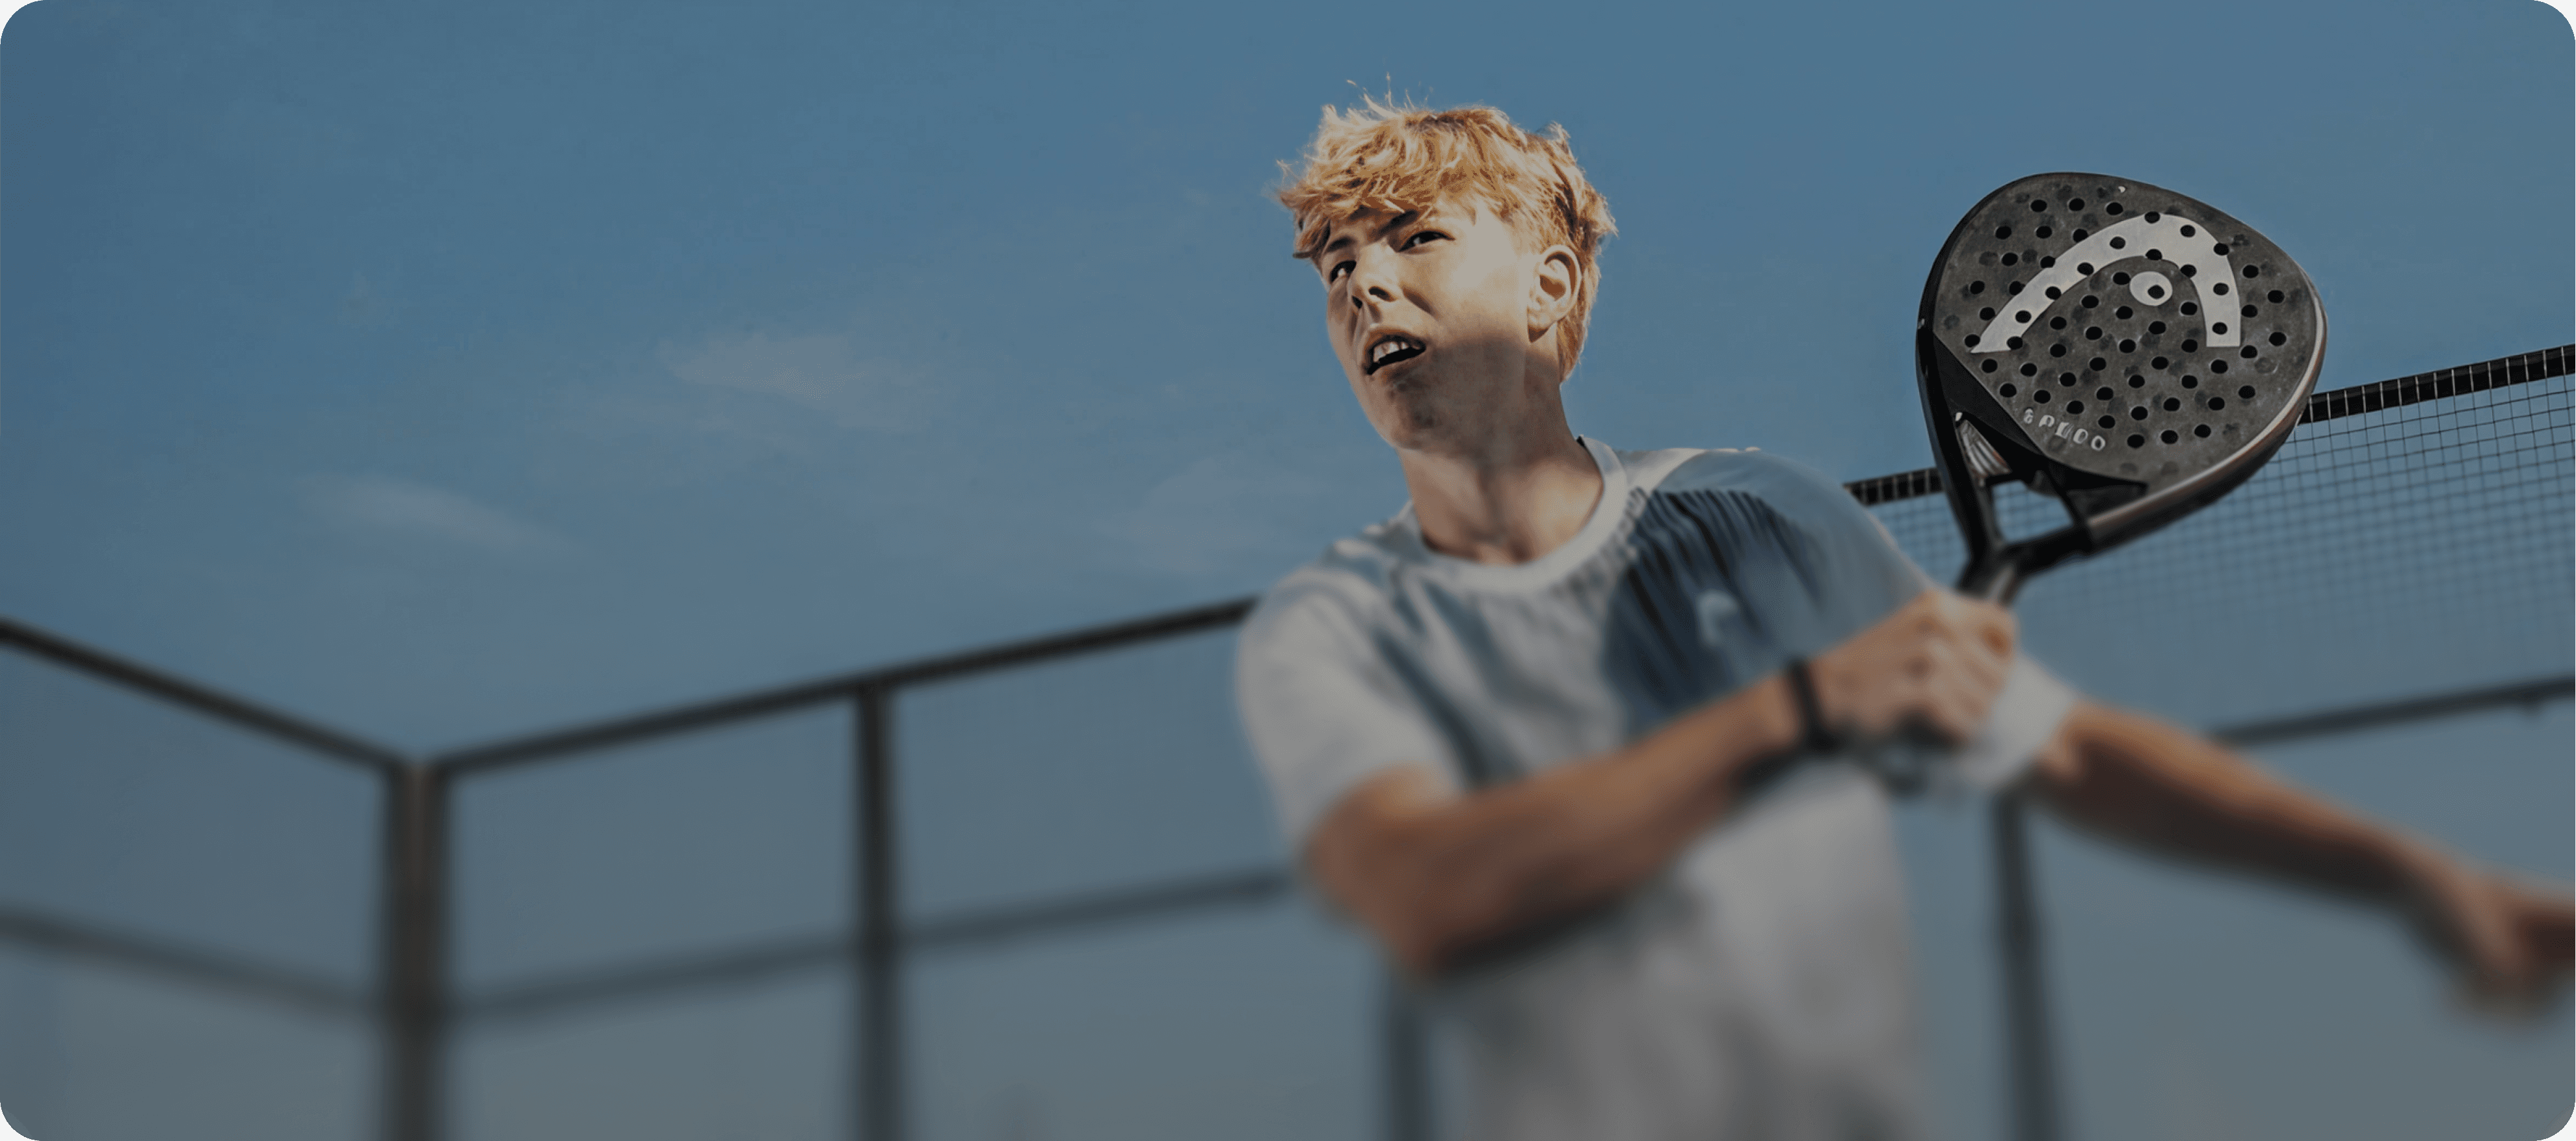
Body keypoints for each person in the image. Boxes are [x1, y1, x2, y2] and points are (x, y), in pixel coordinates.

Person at [1232, 97, 2575, 1141]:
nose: (1364, 286)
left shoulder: (1761, 515)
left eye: (1414, 238)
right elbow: (1426, 891)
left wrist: (2417, 877)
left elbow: (2074, 752)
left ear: (1550, 287)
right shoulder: (1330, 627)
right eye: (1337, 265)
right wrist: (1804, 708)